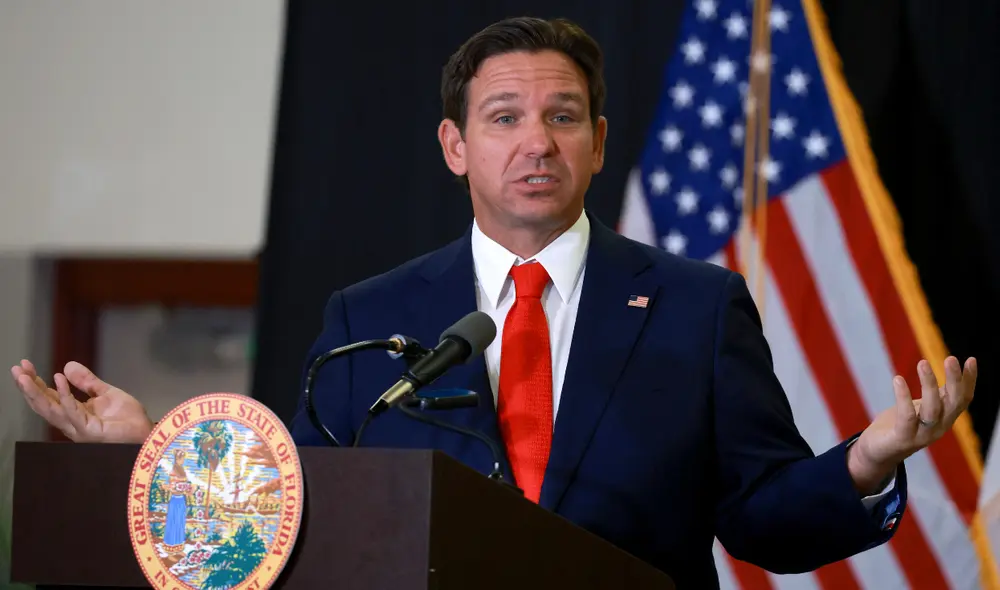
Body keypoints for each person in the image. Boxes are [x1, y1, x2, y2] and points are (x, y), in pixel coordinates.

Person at [10, 16, 977, 588]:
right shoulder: (368, 316)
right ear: (455, 147)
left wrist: (867, 458)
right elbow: (296, 511)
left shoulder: (696, 306)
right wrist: (150, 449)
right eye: (504, 118)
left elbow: (764, 519)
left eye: (563, 117)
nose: (536, 143)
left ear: (599, 142)